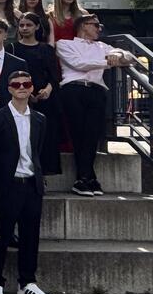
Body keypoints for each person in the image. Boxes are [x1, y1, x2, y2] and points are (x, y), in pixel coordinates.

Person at [0, 70, 57, 294]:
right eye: (16, 84)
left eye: (26, 83)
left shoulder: (39, 119)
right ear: (9, 88)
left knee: (30, 236)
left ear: (31, 87)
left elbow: (37, 152)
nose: (21, 88)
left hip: (31, 184)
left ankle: (27, 283)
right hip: (7, 184)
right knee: (1, 236)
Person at [57, 14, 135, 196]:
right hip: (73, 89)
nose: (99, 29)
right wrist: (108, 62)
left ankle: (84, 178)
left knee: (92, 134)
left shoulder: (103, 47)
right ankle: (86, 178)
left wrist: (118, 54)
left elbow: (130, 57)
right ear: (83, 26)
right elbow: (79, 64)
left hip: (96, 90)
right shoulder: (65, 44)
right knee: (78, 133)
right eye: (95, 25)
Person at [10, 12, 62, 175]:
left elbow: (55, 75)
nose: (25, 28)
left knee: (45, 137)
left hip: (45, 98)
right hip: (20, 98)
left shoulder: (46, 49)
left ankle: (43, 174)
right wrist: (24, 93)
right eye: (22, 25)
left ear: (37, 27)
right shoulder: (12, 48)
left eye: (29, 25)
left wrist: (47, 89)